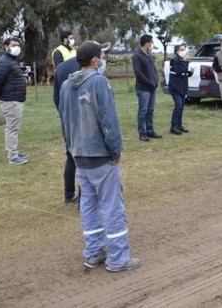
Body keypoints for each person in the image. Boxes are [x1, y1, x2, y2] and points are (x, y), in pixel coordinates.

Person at [59, 41, 141, 272]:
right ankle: (118, 259)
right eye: (102, 55)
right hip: (100, 156)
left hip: (79, 156)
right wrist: (115, 151)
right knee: (113, 207)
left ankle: (93, 252)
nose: (104, 59)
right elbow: (109, 122)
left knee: (89, 205)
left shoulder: (66, 85)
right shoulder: (99, 83)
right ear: (95, 60)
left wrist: (72, 149)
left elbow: (64, 120)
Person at [53, 42, 111, 205]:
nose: (103, 58)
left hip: (69, 121)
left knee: (71, 157)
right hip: (88, 122)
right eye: (102, 54)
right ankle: (84, 198)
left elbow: (57, 96)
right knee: (87, 159)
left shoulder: (62, 68)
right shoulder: (93, 77)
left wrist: (65, 115)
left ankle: (69, 193)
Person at [0, 37, 29, 165]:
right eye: (13, 45)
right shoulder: (4, 62)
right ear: (6, 47)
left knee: (14, 127)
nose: (16, 47)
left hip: (15, 99)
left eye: (17, 45)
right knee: (12, 128)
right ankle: (13, 156)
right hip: (10, 100)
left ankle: (14, 151)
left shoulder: (11, 61)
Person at [132, 34, 161, 142]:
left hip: (152, 87)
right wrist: (149, 82)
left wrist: (156, 80)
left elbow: (152, 69)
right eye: (151, 42)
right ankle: (142, 133)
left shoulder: (148, 54)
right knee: (143, 111)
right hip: (143, 88)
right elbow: (138, 73)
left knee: (150, 110)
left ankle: (150, 130)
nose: (152, 44)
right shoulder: (137, 56)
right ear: (146, 43)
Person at [168, 44, 193, 134]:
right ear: (177, 51)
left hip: (183, 86)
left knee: (181, 107)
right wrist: (183, 61)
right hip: (175, 87)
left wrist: (190, 72)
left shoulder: (185, 60)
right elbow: (178, 71)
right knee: (178, 105)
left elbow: (185, 72)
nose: (184, 51)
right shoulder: (174, 60)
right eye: (181, 49)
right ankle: (173, 126)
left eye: (184, 49)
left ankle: (179, 125)